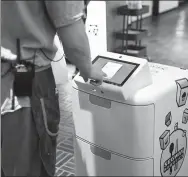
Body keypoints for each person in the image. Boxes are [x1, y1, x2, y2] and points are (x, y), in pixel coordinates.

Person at [1, 1, 104, 176]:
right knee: (28, 162)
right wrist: (88, 68)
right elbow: (73, 40)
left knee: (9, 158)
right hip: (23, 75)